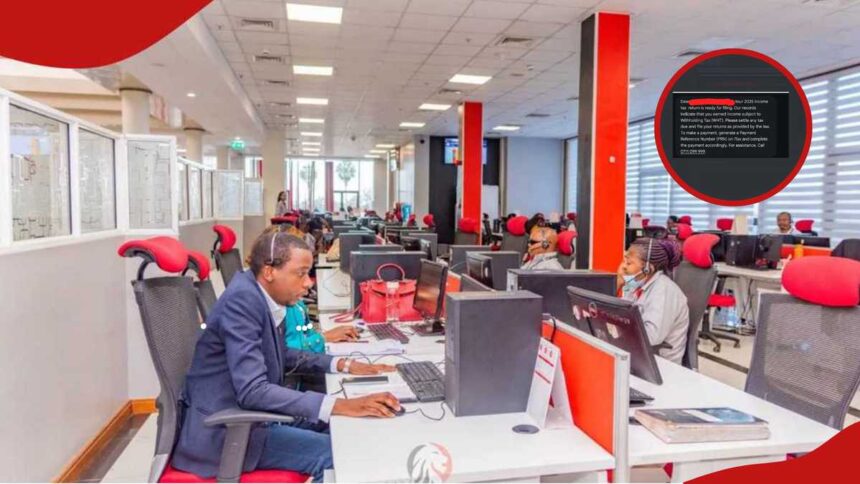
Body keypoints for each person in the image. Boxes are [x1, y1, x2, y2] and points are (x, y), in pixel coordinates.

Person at [173, 232, 400, 482]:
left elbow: (282, 353)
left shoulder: (258, 294)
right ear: (269, 271)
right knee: (339, 454)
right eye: (300, 273)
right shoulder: (242, 301)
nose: (308, 283)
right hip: (227, 434)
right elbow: (253, 391)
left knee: (352, 430)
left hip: (252, 418)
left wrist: (342, 364)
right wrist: (339, 405)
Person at [616, 238, 689, 364]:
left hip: (659, 363)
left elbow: (650, 337)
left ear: (648, 268)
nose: (623, 267)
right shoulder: (635, 284)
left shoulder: (664, 290)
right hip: (637, 353)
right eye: (624, 261)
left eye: (629, 263)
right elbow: (618, 313)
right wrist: (619, 281)